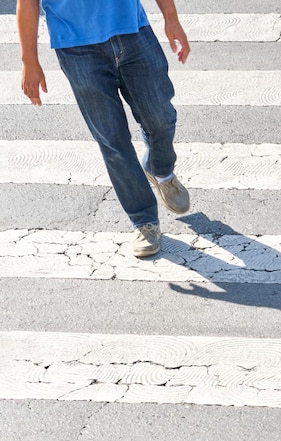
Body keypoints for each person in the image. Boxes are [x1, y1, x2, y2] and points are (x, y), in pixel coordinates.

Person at [16, 0, 191, 258]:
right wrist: (29, 61)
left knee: (161, 118)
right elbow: (28, 3)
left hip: (134, 34)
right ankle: (144, 221)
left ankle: (159, 169)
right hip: (77, 48)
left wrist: (171, 17)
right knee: (112, 139)